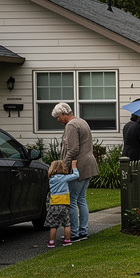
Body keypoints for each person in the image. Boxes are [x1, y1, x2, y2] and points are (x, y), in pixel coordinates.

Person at [53, 102, 99, 241]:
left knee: (72, 200)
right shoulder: (81, 121)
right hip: (89, 164)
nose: (58, 120)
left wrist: (64, 167)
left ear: (63, 114)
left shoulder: (71, 125)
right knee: (81, 199)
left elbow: (72, 149)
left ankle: (73, 234)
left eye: (58, 117)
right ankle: (83, 231)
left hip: (78, 166)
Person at [45, 160, 79, 248]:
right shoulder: (64, 178)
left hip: (54, 204)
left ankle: (51, 242)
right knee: (67, 224)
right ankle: (67, 240)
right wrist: (74, 167)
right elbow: (76, 175)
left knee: (53, 225)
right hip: (64, 204)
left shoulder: (51, 179)